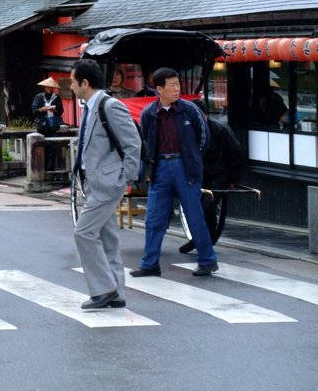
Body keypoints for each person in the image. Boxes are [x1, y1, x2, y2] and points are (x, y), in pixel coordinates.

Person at [131, 67, 218, 278]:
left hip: (185, 167)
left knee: (194, 215)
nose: (177, 89)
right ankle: (150, 263)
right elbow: (145, 142)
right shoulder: (149, 114)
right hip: (160, 168)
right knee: (154, 217)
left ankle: (207, 260)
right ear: (159, 89)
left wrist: (194, 158)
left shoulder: (189, 110)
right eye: (172, 85)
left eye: (178, 84)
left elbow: (204, 138)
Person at [70, 59, 141, 310]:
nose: (71, 85)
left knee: (83, 232)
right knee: (106, 237)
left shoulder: (109, 106)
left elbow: (132, 143)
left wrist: (126, 178)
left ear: (85, 82)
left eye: (73, 81)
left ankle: (104, 290)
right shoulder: (91, 107)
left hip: (108, 182)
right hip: (94, 181)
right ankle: (117, 291)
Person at [179, 100, 244, 254]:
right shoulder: (189, 131)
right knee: (193, 208)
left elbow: (235, 154)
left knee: (207, 207)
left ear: (205, 114)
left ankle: (206, 242)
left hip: (220, 175)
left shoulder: (219, 130)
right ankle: (198, 239)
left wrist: (233, 179)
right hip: (199, 173)